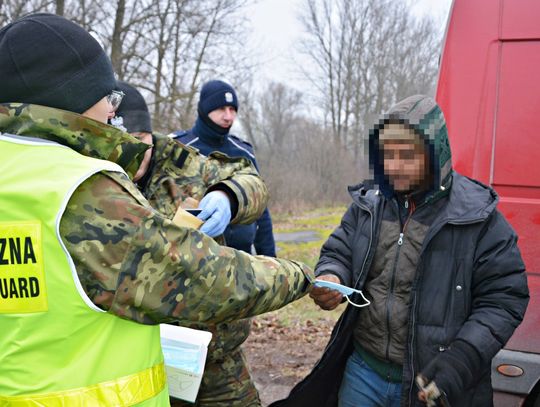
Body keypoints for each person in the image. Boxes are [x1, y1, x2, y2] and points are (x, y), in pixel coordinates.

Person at [0, 13, 313, 406]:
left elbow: (252, 182)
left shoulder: (180, 161)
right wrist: (299, 275)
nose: (112, 116)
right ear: (72, 98)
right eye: (108, 101)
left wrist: (229, 195)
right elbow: (208, 279)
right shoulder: (80, 188)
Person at [272, 95, 529, 407]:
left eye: (407, 155)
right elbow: (339, 250)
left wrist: (462, 359)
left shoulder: (479, 218)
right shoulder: (369, 205)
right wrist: (332, 275)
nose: (393, 166)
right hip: (363, 373)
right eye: (387, 154)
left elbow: (504, 300)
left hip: (431, 384)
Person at [171, 80, 276, 406]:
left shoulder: (243, 153)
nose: (227, 115)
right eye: (220, 108)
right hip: (186, 281)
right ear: (204, 107)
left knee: (228, 345)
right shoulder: (178, 148)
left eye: (233, 109)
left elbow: (263, 212)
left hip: (235, 273)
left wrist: (270, 260)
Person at [114, 80, 266, 238]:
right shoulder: (181, 140)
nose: (132, 151)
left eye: (139, 138)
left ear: (150, 136)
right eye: (221, 109)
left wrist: (229, 196)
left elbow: (257, 189)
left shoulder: (179, 158)